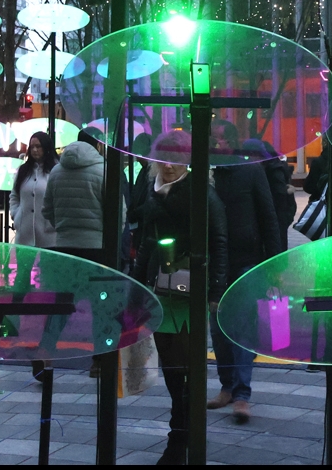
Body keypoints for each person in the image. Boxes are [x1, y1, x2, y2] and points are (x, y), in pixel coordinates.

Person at [130, 131, 229, 465]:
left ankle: (180, 437)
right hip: (160, 289)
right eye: (163, 159)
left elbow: (219, 242)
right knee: (172, 367)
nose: (168, 166)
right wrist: (136, 285)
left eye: (176, 160)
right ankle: (180, 431)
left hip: (190, 291)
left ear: (188, 161)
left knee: (187, 368)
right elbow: (146, 243)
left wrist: (216, 290)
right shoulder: (151, 191)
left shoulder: (203, 195)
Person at [207, 121, 282, 424]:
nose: (217, 145)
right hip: (215, 262)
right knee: (217, 330)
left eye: (221, 140)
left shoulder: (251, 171)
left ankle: (241, 394)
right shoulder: (207, 174)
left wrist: (274, 265)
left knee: (242, 329)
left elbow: (269, 217)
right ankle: (227, 386)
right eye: (214, 141)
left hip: (246, 260)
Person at [42, 131, 107, 262]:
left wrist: (62, 227)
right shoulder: (103, 171)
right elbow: (117, 211)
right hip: (96, 244)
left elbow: (47, 209)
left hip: (63, 243)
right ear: (99, 145)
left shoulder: (56, 171)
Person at [243, 138, 297, 250]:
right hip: (275, 222)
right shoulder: (272, 168)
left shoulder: (272, 171)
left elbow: (278, 200)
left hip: (275, 223)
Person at [10, 131, 57, 249]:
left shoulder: (55, 170)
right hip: (24, 233)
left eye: (38, 146)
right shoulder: (23, 171)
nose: (35, 150)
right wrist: (15, 214)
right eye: (32, 147)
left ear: (46, 147)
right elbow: (14, 195)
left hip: (49, 234)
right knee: (24, 261)